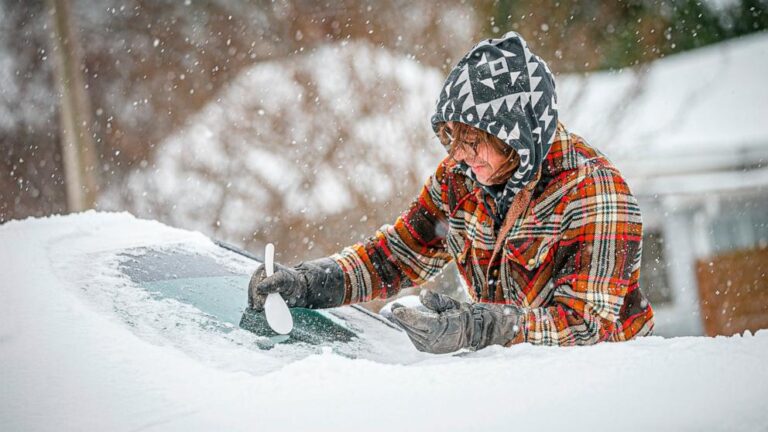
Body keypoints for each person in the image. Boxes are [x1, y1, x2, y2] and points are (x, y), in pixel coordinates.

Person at [248, 31, 654, 354]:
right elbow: (395, 257)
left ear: (517, 136)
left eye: (472, 140)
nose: (458, 154)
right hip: (517, 382)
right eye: (451, 138)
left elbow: (587, 328)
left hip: (608, 388)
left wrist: (477, 326)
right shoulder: (460, 179)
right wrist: (311, 283)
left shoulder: (592, 191)